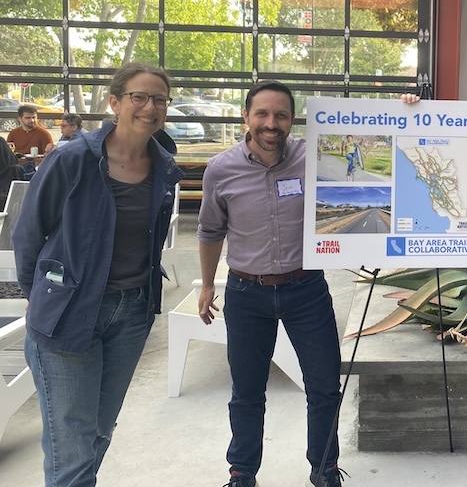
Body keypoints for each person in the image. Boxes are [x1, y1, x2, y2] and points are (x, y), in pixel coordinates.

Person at [12, 63, 183, 486]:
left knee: (99, 434)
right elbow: (29, 232)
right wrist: (42, 295)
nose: (149, 107)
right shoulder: (73, 159)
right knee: (72, 447)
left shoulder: (163, 166)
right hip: (70, 314)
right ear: (115, 102)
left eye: (159, 99)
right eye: (138, 97)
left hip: (130, 314)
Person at [197, 80, 344, 487]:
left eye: (280, 114)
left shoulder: (312, 156)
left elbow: (379, 137)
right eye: (262, 113)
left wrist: (408, 110)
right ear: (246, 117)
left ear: (291, 120)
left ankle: (325, 468)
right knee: (246, 392)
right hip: (247, 293)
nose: (271, 123)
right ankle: (242, 473)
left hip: (306, 290)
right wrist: (208, 285)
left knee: (325, 387)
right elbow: (210, 232)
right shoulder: (221, 169)